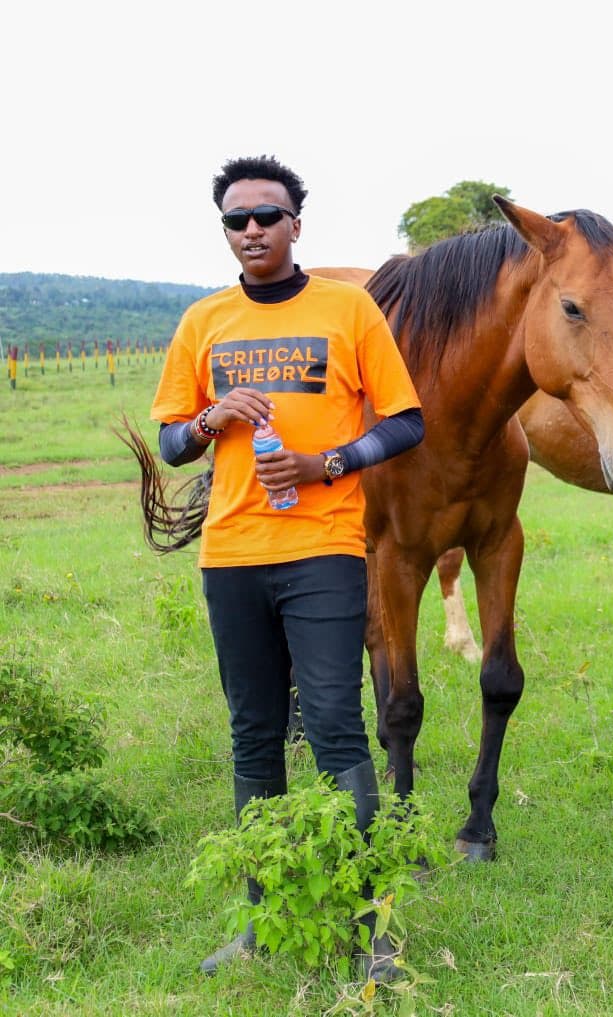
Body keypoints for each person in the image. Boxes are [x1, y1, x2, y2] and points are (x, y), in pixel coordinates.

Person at [150, 155, 424, 979]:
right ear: (226, 232)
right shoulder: (203, 322)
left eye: (267, 215)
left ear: (296, 224)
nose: (252, 230)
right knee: (253, 735)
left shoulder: (348, 309)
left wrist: (325, 464)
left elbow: (405, 422)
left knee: (339, 730)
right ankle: (262, 919)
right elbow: (169, 443)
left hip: (323, 553)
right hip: (232, 556)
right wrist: (209, 418)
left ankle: (374, 926)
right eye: (237, 220)